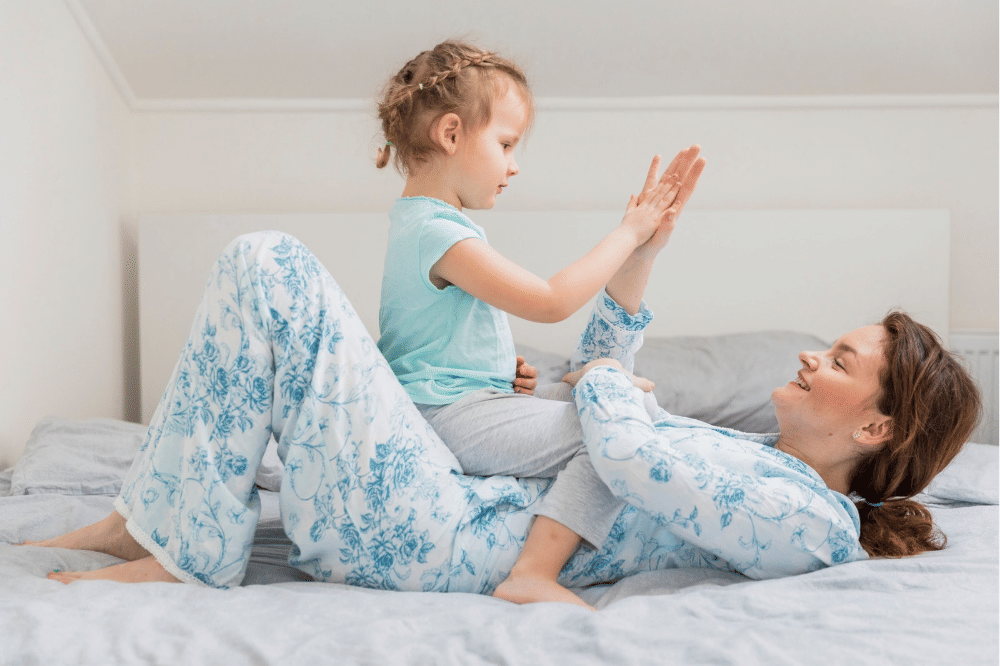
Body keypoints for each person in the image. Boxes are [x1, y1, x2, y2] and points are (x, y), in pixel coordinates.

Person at [27, 231, 979, 609]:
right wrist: (639, 254)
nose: (815, 356)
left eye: (843, 362)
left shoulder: (812, 522)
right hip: (440, 500)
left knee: (273, 266)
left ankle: (190, 547)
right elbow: (615, 402)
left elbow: (631, 457)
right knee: (263, 275)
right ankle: (148, 513)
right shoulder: (754, 457)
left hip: (431, 535)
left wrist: (603, 384)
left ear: (877, 432)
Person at [373, 39, 705, 606]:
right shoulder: (438, 232)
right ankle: (534, 572)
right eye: (505, 143)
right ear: (451, 135)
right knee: (614, 433)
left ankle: (594, 382)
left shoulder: (429, 225)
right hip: (445, 413)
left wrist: (502, 373)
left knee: (633, 405)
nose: (514, 163)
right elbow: (550, 302)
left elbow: (438, 341)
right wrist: (628, 232)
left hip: (466, 399)